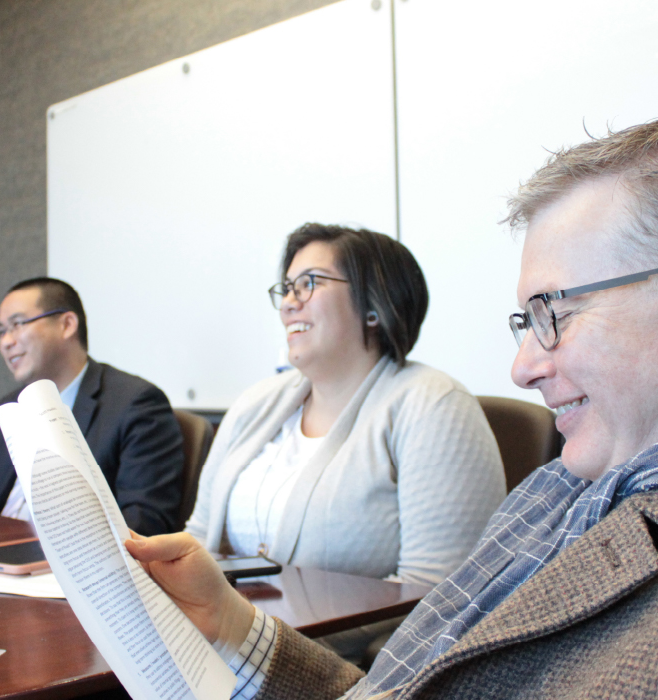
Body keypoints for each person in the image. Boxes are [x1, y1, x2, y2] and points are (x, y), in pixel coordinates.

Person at [126, 116, 658, 698]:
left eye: (553, 313)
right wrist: (234, 626)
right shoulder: (564, 488)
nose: (524, 366)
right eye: (525, 323)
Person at [184, 223, 506, 659]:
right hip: (221, 649)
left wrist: (253, 638)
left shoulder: (433, 404)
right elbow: (200, 538)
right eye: (286, 288)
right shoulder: (254, 404)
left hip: (334, 668)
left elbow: (437, 597)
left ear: (374, 305)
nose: (289, 304)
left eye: (309, 283)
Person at [0, 277, 188, 535]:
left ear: (67, 325)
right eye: (1, 331)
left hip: (71, 567)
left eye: (17, 324)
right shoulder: (10, 407)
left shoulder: (136, 404)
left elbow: (143, 523)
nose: (6, 342)